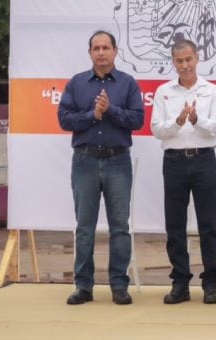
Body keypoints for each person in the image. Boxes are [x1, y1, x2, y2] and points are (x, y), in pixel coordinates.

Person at [58, 30, 145, 306]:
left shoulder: (127, 83)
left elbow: (137, 120)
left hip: (117, 160)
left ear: (116, 51)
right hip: (84, 161)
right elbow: (64, 119)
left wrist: (110, 111)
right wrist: (92, 115)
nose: (101, 52)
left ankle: (119, 285)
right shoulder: (77, 83)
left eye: (106, 47)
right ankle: (83, 286)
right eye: (96, 48)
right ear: (90, 53)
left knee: (119, 226)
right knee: (85, 227)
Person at [150, 39, 216, 305]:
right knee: (175, 225)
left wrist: (196, 120)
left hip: (204, 160)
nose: (185, 65)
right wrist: (178, 121)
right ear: (173, 62)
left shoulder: (212, 90)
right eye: (179, 61)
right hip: (173, 162)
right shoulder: (163, 92)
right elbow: (157, 129)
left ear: (197, 58)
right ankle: (180, 282)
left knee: (208, 225)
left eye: (188, 59)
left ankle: (210, 283)